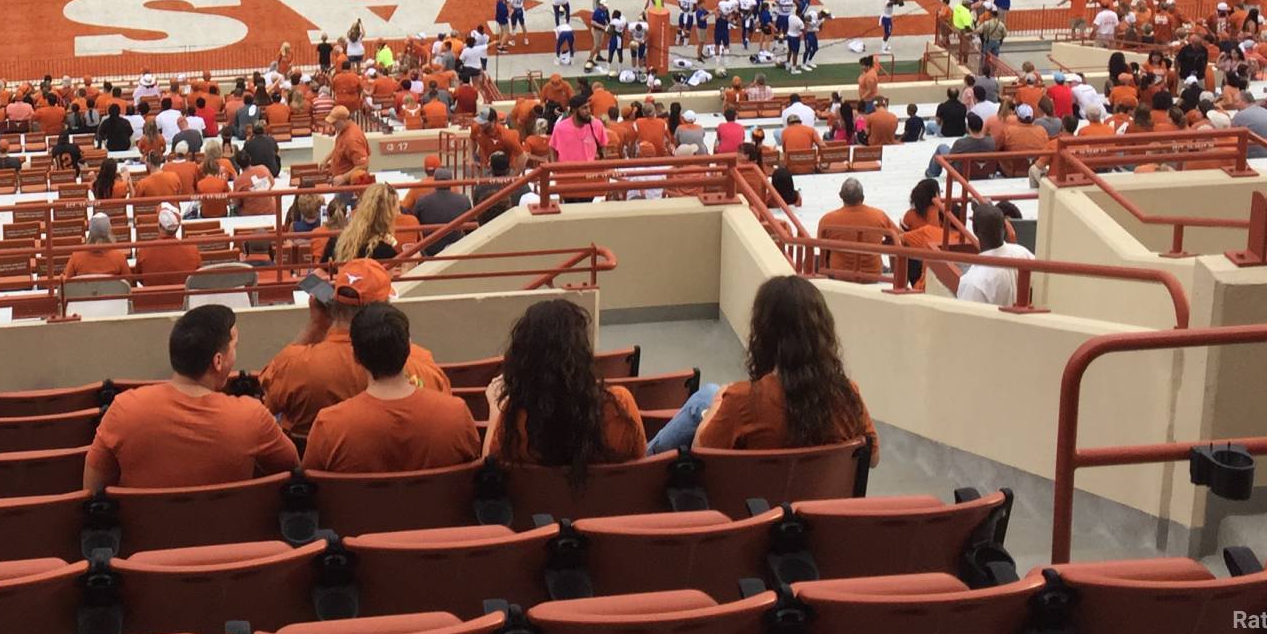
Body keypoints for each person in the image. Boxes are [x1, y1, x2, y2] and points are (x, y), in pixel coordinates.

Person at [85, 304, 299, 492]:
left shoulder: (123, 409)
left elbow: (93, 489)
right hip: (232, 537)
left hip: (146, 538)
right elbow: (293, 470)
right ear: (218, 361)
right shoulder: (252, 416)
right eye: (235, 347)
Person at [663, 275, 878, 459]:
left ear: (764, 334)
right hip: (822, 506)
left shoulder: (741, 401)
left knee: (707, 398)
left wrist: (719, 403)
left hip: (756, 507)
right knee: (706, 395)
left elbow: (701, 452)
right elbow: (872, 458)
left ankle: (640, 467)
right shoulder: (848, 393)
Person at [260, 258, 446, 434]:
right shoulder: (422, 363)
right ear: (385, 308)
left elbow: (267, 394)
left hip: (322, 462)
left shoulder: (295, 366)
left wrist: (315, 326)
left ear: (334, 306)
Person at [302, 300, 482, 472]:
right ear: (409, 348)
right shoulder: (455, 414)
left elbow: (309, 482)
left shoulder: (330, 425)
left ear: (355, 356)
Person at [482, 297, 647, 483]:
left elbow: (488, 469)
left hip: (535, 511)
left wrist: (496, 411)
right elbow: (640, 468)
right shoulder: (620, 405)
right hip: (609, 510)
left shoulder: (513, 418)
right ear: (582, 352)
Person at [954, 203, 1036, 308]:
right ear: (1004, 227)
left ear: (974, 230)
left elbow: (967, 320)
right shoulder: (1024, 254)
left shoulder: (973, 282)